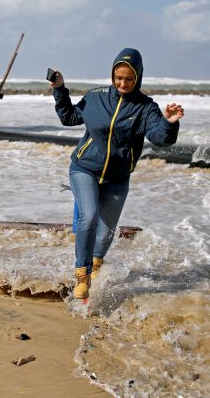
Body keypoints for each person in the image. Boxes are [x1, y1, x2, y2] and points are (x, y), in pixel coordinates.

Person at [50, 48, 184, 299]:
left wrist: (168, 121)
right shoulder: (96, 98)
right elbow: (69, 117)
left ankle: (97, 265)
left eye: (129, 79)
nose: (122, 83)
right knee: (88, 217)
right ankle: (82, 275)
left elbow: (159, 137)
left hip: (117, 178)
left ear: (138, 78)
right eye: (118, 77)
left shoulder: (146, 108)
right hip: (84, 168)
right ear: (112, 75)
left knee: (107, 230)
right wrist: (60, 88)